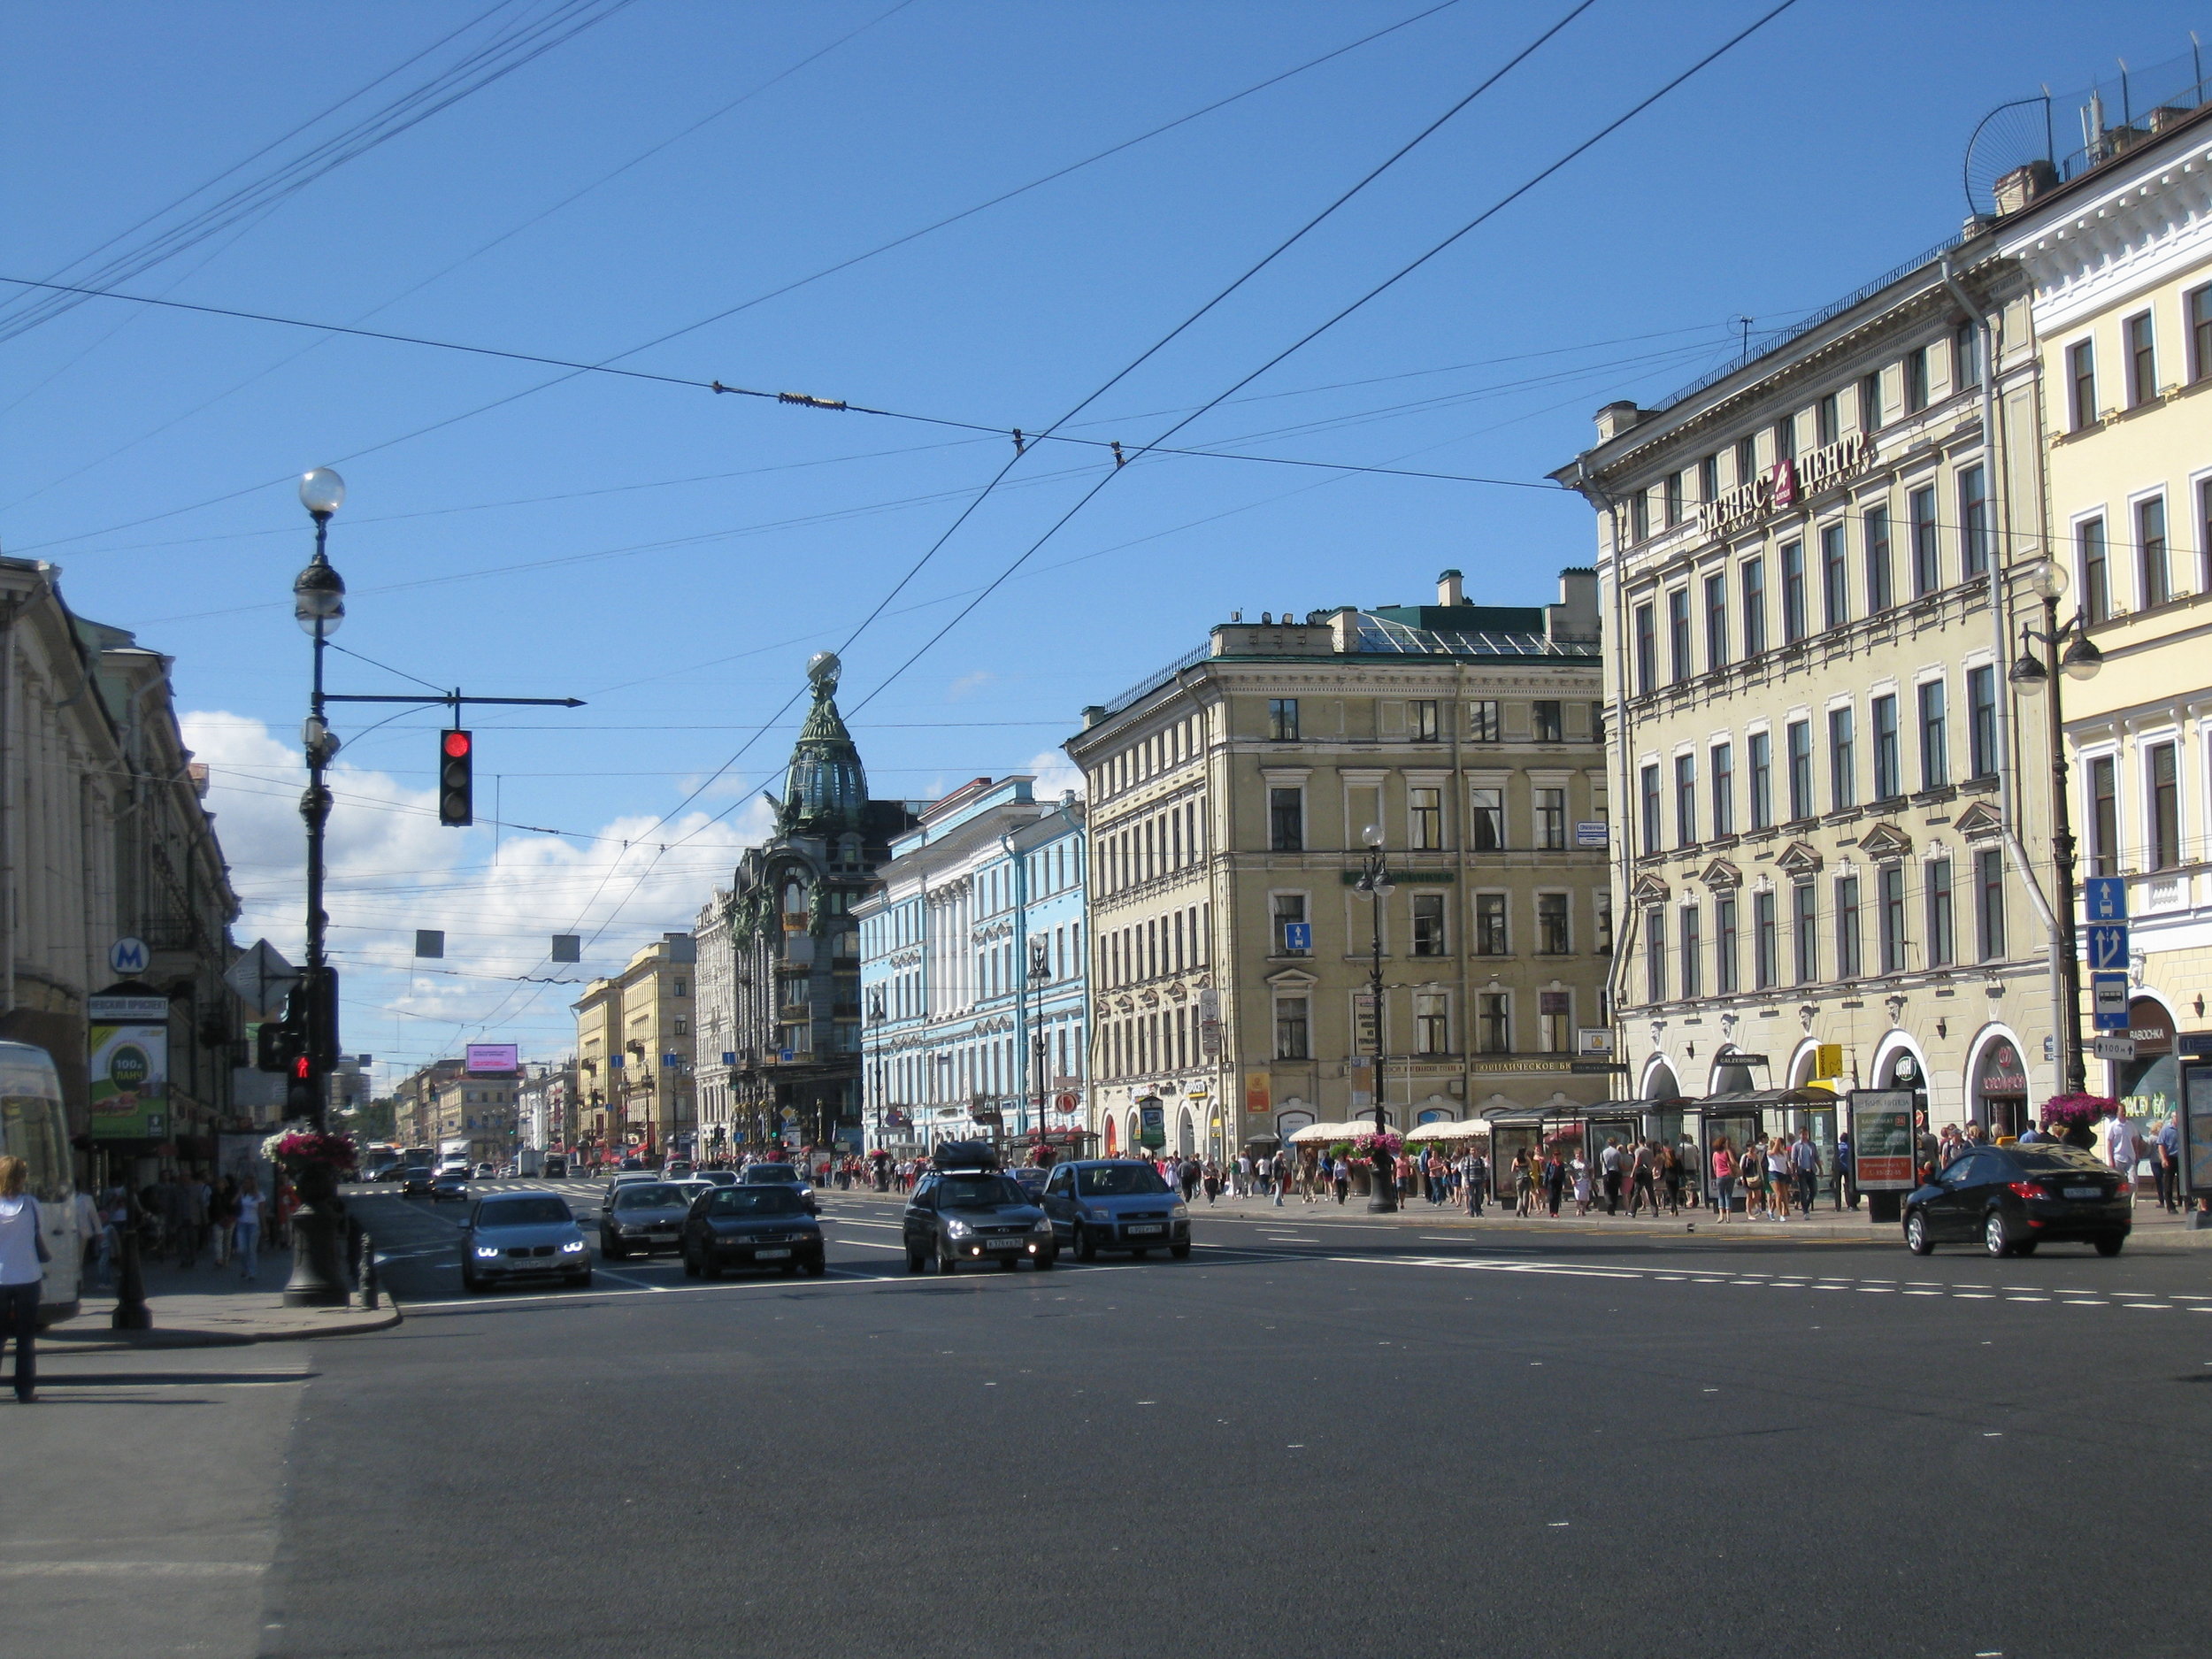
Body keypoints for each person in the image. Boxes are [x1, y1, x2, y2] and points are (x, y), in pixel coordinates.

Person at [0, 1155, 45, 1402]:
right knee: (26, 1337)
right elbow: (40, 1233)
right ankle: (25, 1389)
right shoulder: (31, 1204)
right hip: (28, 1275)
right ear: (20, 1179)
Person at [234, 1179, 264, 1280]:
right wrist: (239, 1194)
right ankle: (245, 1268)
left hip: (253, 1224)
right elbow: (232, 1203)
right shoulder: (242, 1194)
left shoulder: (259, 1195)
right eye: (244, 1183)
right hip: (241, 1223)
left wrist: (264, 1226)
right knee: (242, 1249)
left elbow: (261, 1211)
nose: (245, 1185)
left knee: (251, 1249)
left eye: (247, 1183)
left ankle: (252, 1272)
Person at [2155, 1115, 2182, 1213]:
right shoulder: (2166, 1130)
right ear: (2173, 1118)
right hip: (2170, 1157)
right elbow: (2161, 1145)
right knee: (2168, 1182)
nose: (2178, 1119)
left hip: (2182, 1158)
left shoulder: (2183, 1128)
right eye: (2176, 1117)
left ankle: (2187, 1203)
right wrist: (2163, 1159)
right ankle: (2170, 1206)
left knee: (2184, 1181)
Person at [1790, 1130, 1818, 1216]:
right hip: (1801, 1171)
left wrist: (1820, 1168)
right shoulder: (1796, 1146)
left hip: (1811, 1170)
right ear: (1799, 1135)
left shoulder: (1812, 1145)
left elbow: (1816, 1157)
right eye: (1803, 1134)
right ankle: (1805, 1210)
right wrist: (1794, 1172)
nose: (1804, 1136)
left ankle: (1806, 1205)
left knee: (1814, 1190)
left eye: (1806, 1134)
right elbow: (1793, 1160)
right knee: (1804, 1191)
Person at [1709, 1137, 1737, 1223]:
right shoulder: (1727, 1151)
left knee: (1720, 1195)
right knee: (1728, 1195)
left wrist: (1717, 1173)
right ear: (1723, 1144)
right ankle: (1728, 1217)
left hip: (1720, 1176)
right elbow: (1733, 1162)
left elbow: (1714, 1167)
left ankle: (1721, 1215)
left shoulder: (1715, 1154)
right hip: (1729, 1175)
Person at [1834, 1133, 1857, 1210]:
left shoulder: (1838, 1146)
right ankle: (1850, 1203)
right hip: (1848, 1168)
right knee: (1848, 1186)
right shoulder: (1850, 1147)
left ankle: (1838, 1205)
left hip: (1838, 1168)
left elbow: (1835, 1158)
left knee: (1838, 1187)